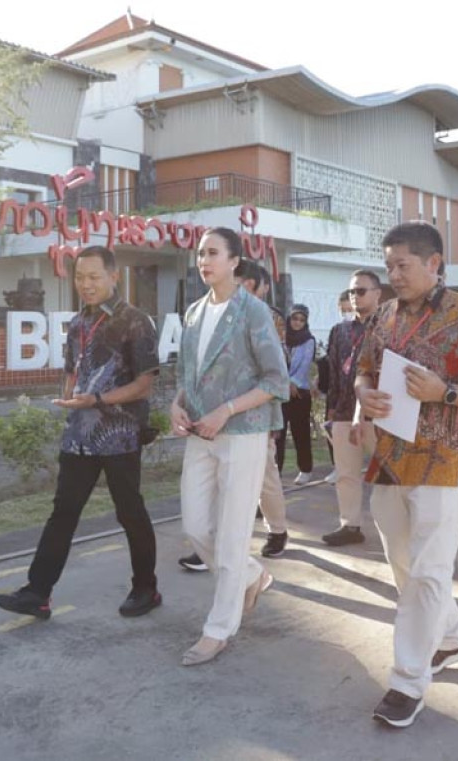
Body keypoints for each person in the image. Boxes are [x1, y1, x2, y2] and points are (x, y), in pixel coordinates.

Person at [354, 222, 458, 728]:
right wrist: (362, 398)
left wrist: (444, 392)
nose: (393, 275)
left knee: (426, 571)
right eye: (389, 265)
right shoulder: (383, 317)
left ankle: (407, 681)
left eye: (403, 265)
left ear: (434, 263)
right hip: (391, 458)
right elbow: (364, 369)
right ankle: (452, 639)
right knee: (404, 564)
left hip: (447, 459)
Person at [0, 246, 161, 620]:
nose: (85, 285)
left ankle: (146, 588)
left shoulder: (135, 321)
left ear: (113, 277)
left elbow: (143, 385)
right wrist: (71, 398)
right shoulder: (77, 323)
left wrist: (98, 399)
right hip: (79, 437)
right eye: (80, 277)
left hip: (119, 435)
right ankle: (37, 593)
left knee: (129, 512)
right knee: (63, 513)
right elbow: (73, 372)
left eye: (94, 277)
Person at [170, 227, 290, 666]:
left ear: (235, 261)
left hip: (243, 433)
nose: (204, 261)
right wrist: (175, 405)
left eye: (214, 253)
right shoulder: (194, 313)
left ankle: (218, 629)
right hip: (201, 434)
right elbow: (186, 374)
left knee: (233, 534)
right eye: (200, 253)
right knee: (197, 526)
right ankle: (254, 575)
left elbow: (277, 381)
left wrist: (228, 409)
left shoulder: (253, 312)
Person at [178, 262, 292, 568]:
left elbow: (275, 372)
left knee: (266, 479)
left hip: (253, 416)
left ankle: (276, 529)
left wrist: (233, 407)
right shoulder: (200, 313)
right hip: (209, 425)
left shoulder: (263, 315)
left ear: (256, 286)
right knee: (209, 495)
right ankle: (215, 550)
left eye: (242, 282)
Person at [321, 271, 381, 546]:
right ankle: (350, 525)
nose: (355, 297)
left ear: (377, 293)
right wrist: (331, 412)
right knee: (346, 474)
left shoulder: (390, 327)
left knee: (390, 474)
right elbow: (333, 372)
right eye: (351, 293)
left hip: (379, 413)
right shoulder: (340, 331)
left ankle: (398, 528)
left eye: (361, 291)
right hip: (345, 412)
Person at [276, 305, 317, 484]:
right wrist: (285, 383)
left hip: (300, 393)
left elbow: (305, 364)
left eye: (302, 320)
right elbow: (275, 362)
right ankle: (276, 472)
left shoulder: (309, 340)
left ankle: (305, 469)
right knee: (278, 434)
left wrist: (293, 383)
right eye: (294, 319)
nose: (298, 323)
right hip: (280, 392)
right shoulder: (281, 338)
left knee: (301, 432)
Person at [320, 290, 355, 485]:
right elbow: (331, 361)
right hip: (338, 388)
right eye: (343, 309)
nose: (347, 313)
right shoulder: (337, 330)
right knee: (335, 428)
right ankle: (338, 466)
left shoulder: (369, 328)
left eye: (349, 309)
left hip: (358, 389)